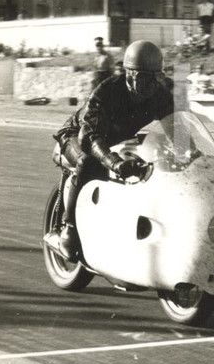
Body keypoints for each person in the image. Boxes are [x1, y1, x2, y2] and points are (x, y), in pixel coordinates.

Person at [45, 41, 175, 261]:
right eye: (145, 78)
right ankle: (69, 228)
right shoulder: (107, 91)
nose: (151, 85)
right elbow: (89, 137)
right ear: (130, 75)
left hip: (115, 142)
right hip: (77, 136)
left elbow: (175, 129)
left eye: (156, 78)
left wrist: (190, 154)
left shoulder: (160, 95)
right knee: (88, 163)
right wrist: (113, 162)